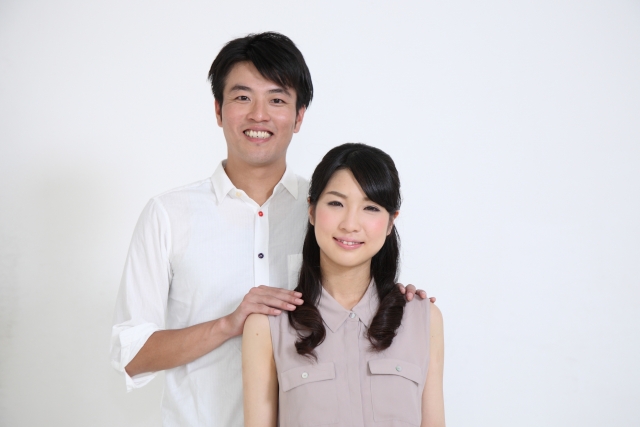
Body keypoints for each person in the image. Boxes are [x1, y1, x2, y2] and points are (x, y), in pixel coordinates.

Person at [110, 33, 431, 427]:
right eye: (243, 97)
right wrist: (228, 324)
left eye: (277, 100)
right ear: (218, 109)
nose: (258, 115)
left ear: (299, 117)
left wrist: (396, 297)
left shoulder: (329, 215)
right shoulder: (168, 215)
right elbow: (131, 356)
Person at [243, 143, 445, 427]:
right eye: (336, 203)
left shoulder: (423, 318)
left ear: (391, 223)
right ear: (311, 210)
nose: (350, 224)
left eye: (371, 207)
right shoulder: (268, 326)